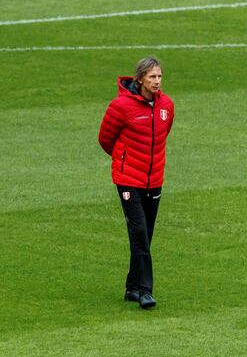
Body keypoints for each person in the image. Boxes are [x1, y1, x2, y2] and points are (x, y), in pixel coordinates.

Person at [98, 57, 174, 309]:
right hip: (128, 179)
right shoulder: (121, 106)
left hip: (155, 179)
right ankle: (144, 290)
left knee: (145, 235)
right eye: (152, 77)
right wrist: (124, 161)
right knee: (140, 233)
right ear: (140, 78)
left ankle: (132, 287)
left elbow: (164, 134)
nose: (157, 82)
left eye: (160, 77)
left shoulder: (167, 106)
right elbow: (105, 139)